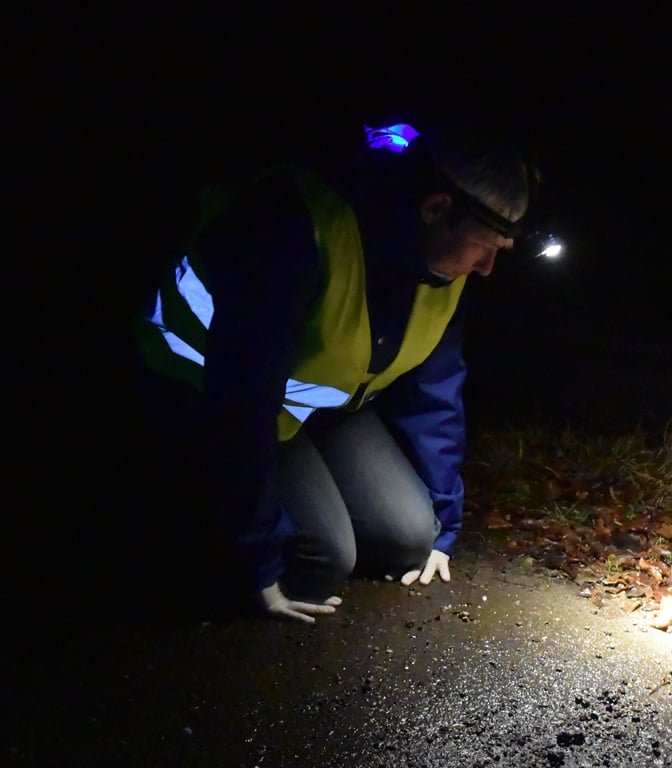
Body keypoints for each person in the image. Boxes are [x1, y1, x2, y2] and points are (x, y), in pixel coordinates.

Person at [127, 118, 534, 623]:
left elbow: (436, 394)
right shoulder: (299, 228)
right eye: (486, 246)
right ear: (435, 209)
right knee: (321, 560)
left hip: (315, 407)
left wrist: (444, 525)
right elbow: (243, 397)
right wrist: (256, 560)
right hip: (198, 390)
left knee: (412, 537)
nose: (488, 267)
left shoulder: (442, 265)